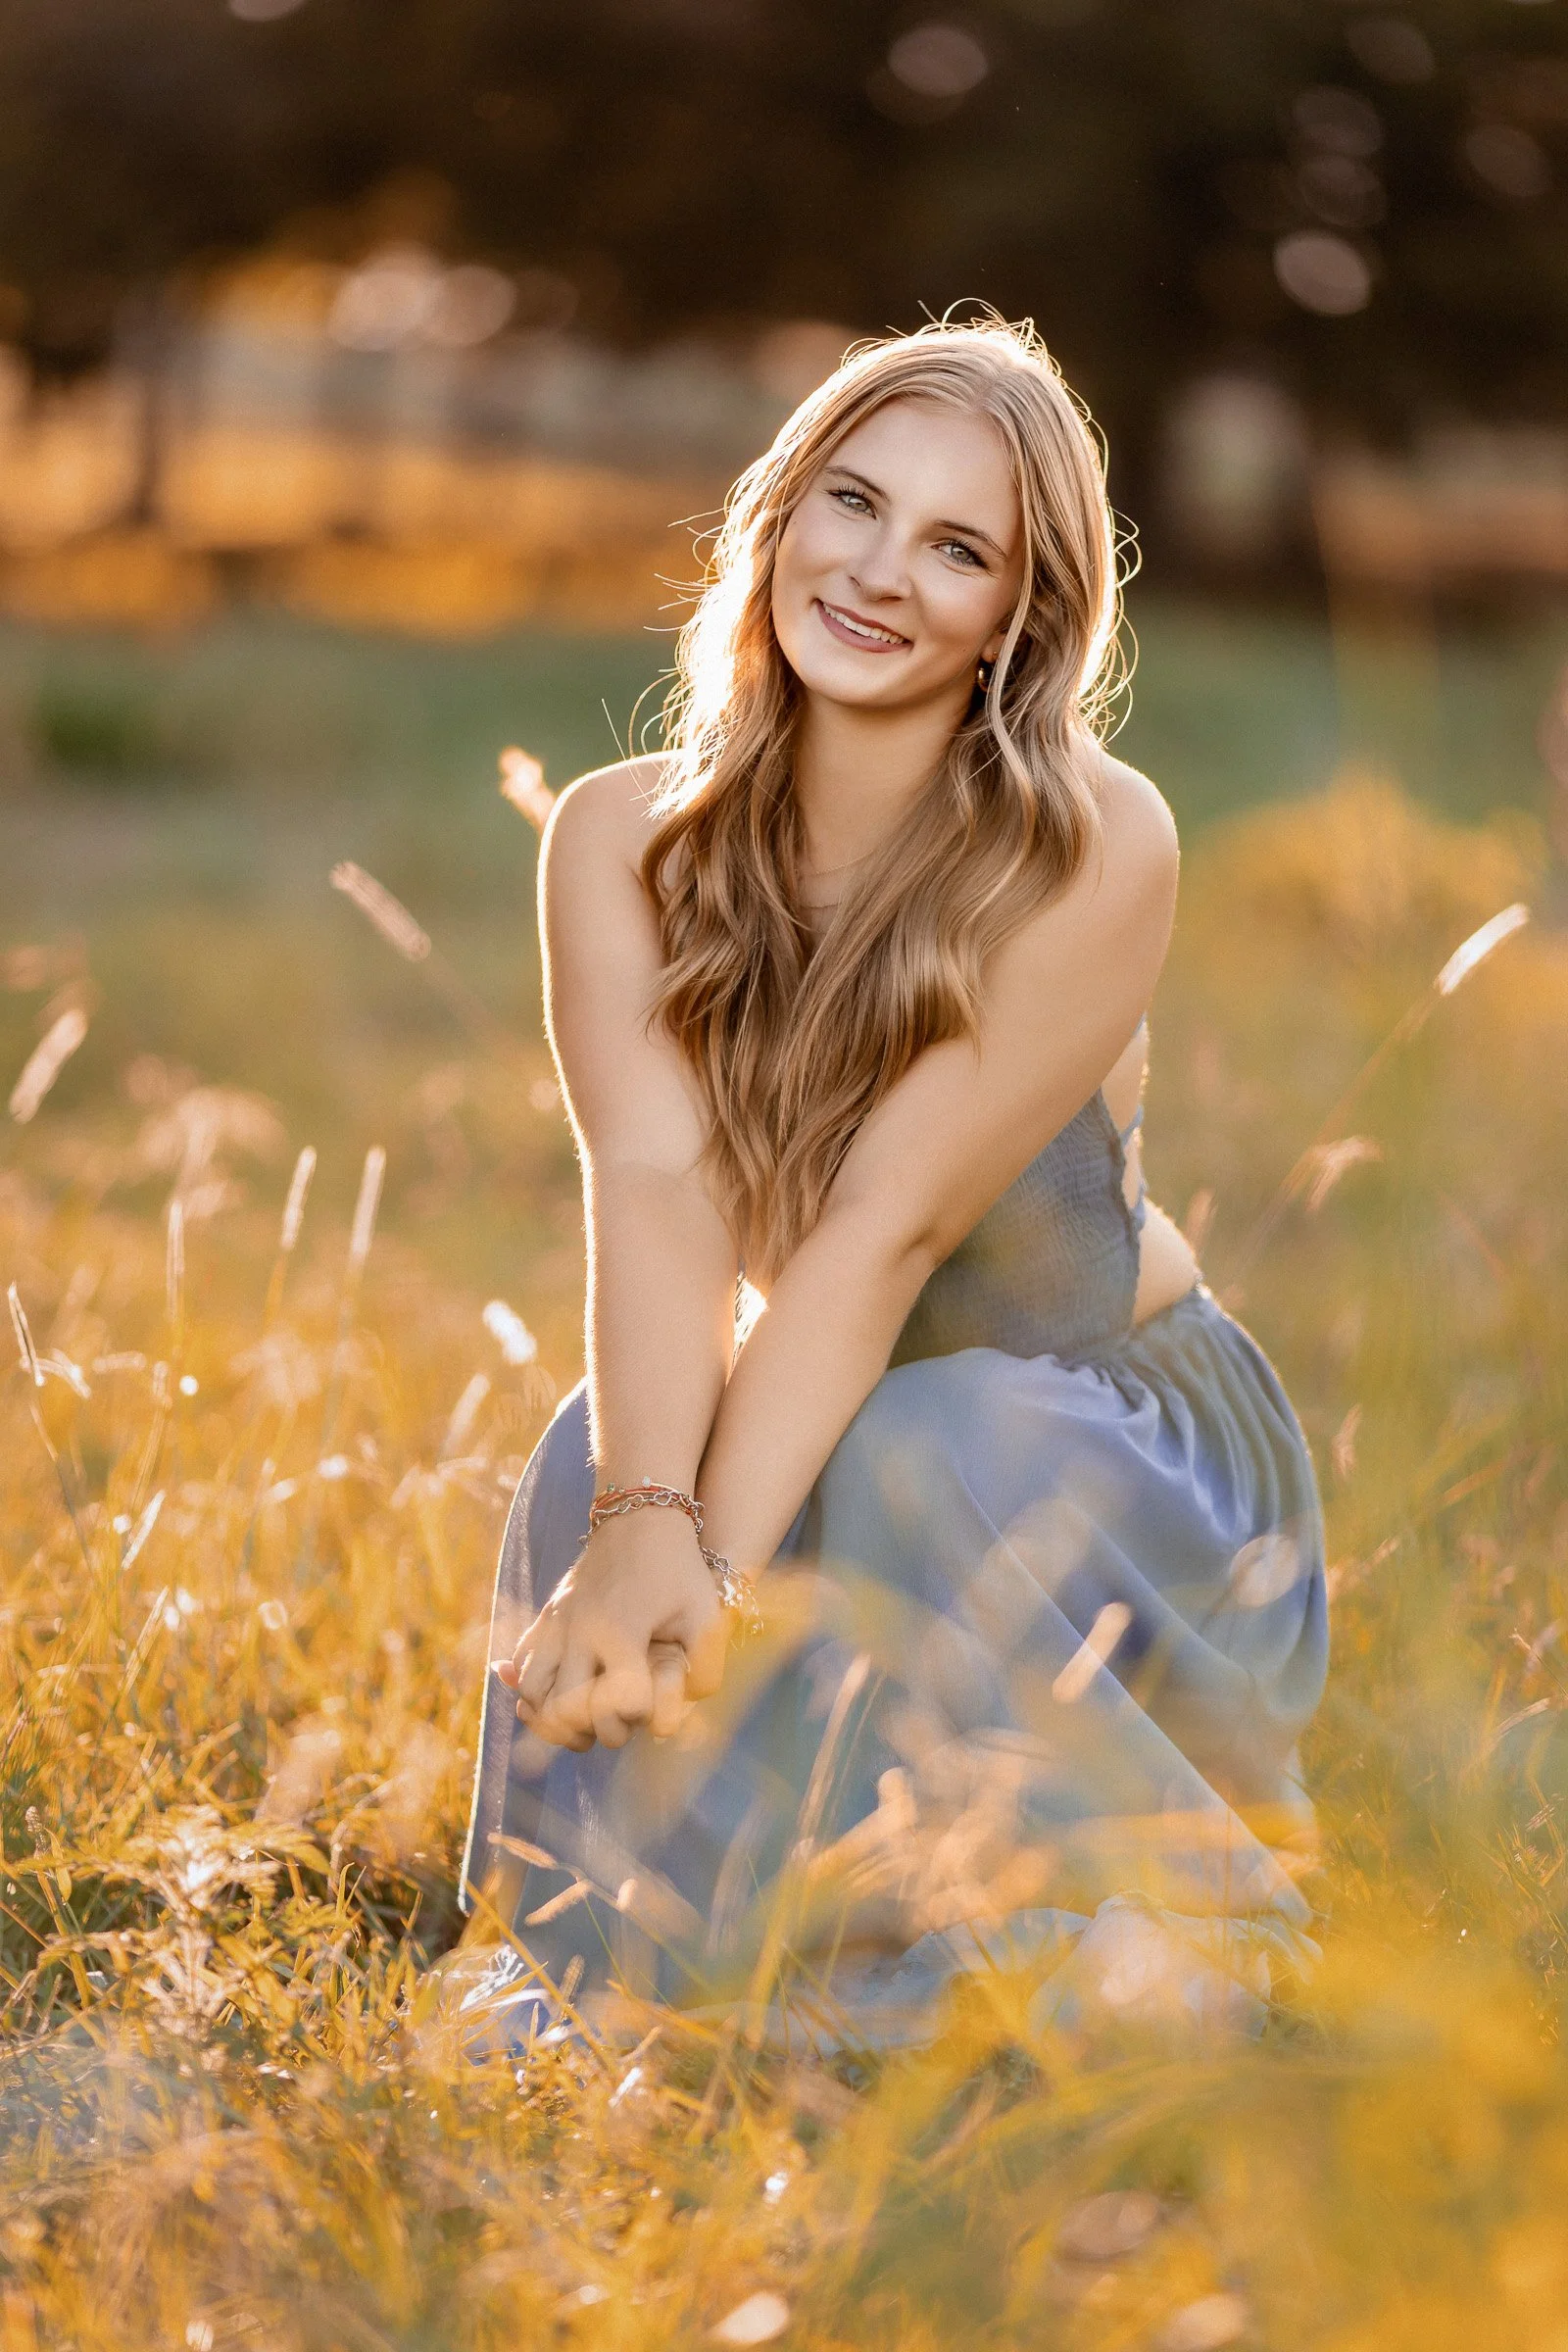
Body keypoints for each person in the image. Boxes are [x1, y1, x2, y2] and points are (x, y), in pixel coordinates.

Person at [459, 317, 1327, 2048]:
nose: (879, 573)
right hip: (851, 1415)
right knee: (599, 1447)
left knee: (938, 1436)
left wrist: (695, 1570)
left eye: (958, 548)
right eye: (850, 504)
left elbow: (887, 1230)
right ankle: (586, 1943)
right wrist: (643, 1526)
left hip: (1097, 1440)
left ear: (1019, 611)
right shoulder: (622, 834)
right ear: (776, 516)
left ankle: (1212, 1898)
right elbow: (651, 1180)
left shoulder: (1092, 837)